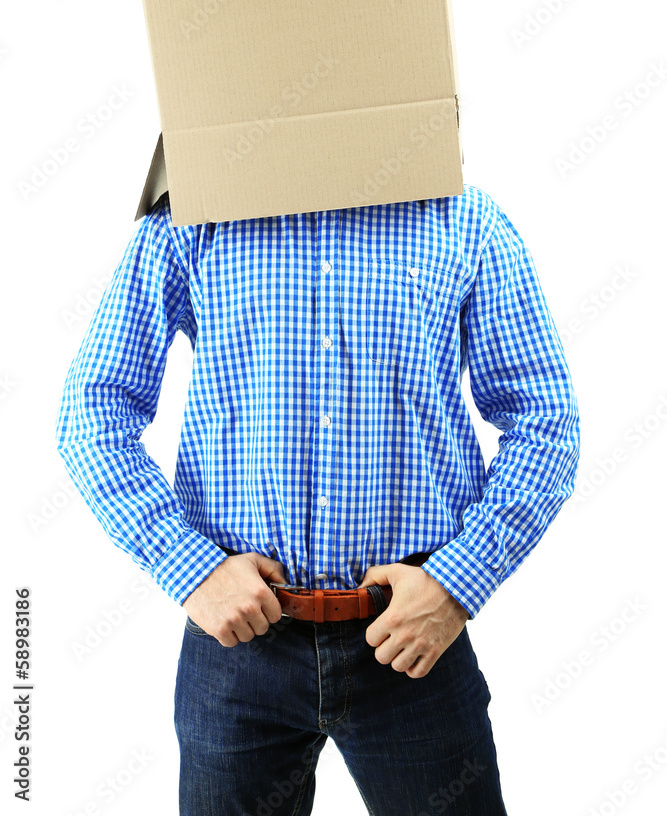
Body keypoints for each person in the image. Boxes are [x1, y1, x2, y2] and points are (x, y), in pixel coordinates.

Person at [55, 184, 580, 815]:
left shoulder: (466, 221)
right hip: (239, 647)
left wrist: (457, 585)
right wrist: (190, 571)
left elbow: (545, 419)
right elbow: (92, 412)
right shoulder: (194, 219)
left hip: (412, 638)